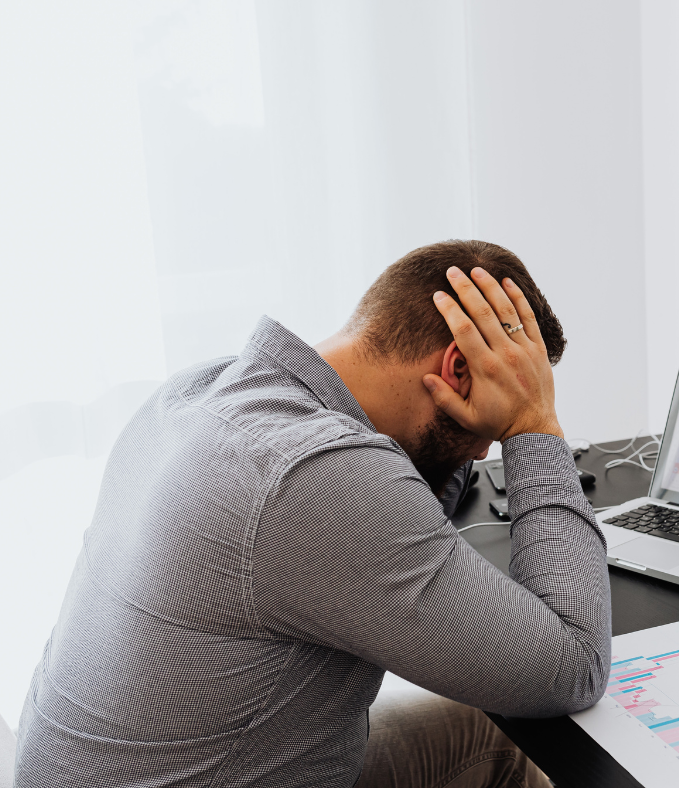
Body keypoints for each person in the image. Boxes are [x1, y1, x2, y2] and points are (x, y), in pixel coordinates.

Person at [14, 240, 612, 788]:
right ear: (456, 369)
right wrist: (534, 425)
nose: (486, 450)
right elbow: (574, 666)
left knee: (486, 736)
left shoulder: (200, 393)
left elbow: (404, 490)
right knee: (519, 740)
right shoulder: (313, 474)